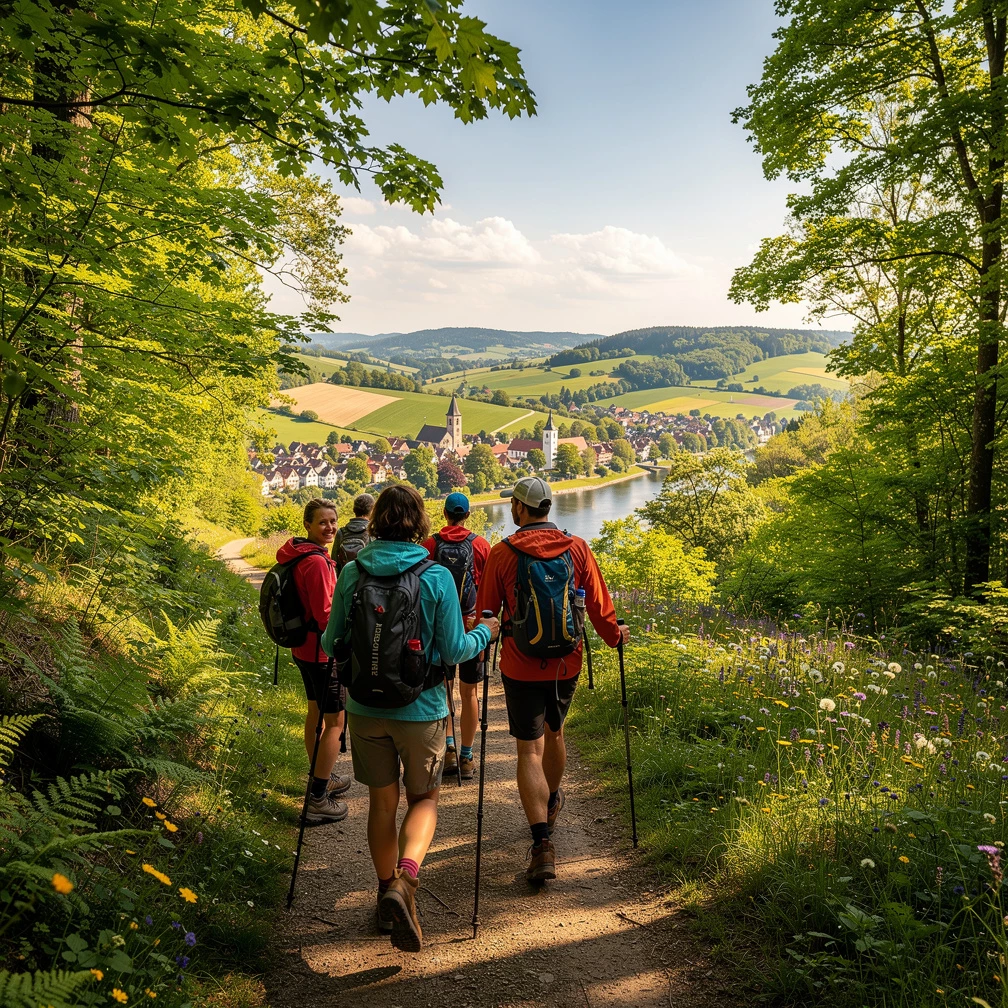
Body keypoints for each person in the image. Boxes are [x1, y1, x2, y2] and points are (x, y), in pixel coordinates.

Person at [321, 484, 499, 952]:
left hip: (364, 709)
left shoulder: (352, 572)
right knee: (423, 800)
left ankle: (385, 893)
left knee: (382, 804)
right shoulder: (435, 576)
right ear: (420, 523)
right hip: (421, 710)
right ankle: (405, 881)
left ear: (376, 522)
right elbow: (456, 651)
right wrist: (486, 631)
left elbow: (329, 643)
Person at [476, 476, 629, 883]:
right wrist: (615, 637)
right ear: (547, 508)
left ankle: (541, 842)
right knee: (555, 732)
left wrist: (474, 649)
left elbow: (486, 614)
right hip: (566, 662)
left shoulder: (502, 553)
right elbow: (599, 605)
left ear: (520, 508)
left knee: (529, 749)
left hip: (520, 664)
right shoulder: (577, 547)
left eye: (512, 503)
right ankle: (553, 798)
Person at [275, 498, 352, 825]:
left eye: (333, 521)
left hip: (302, 649)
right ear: (307, 524)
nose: (330, 527)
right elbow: (325, 615)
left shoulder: (297, 554)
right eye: (322, 522)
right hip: (322, 653)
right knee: (335, 722)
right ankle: (318, 798)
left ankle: (321, 774)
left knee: (315, 714)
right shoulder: (317, 563)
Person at [422, 491, 491, 781]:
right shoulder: (480, 544)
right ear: (468, 515)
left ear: (445, 513)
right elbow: (488, 588)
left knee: (444, 689)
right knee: (470, 692)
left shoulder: (430, 544)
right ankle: (467, 756)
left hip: (441, 628)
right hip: (472, 627)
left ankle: (448, 748)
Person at [332, 493, 374, 573]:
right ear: (372, 510)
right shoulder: (372, 531)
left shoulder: (341, 532)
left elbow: (334, 561)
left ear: (354, 510)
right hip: (365, 578)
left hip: (345, 576)